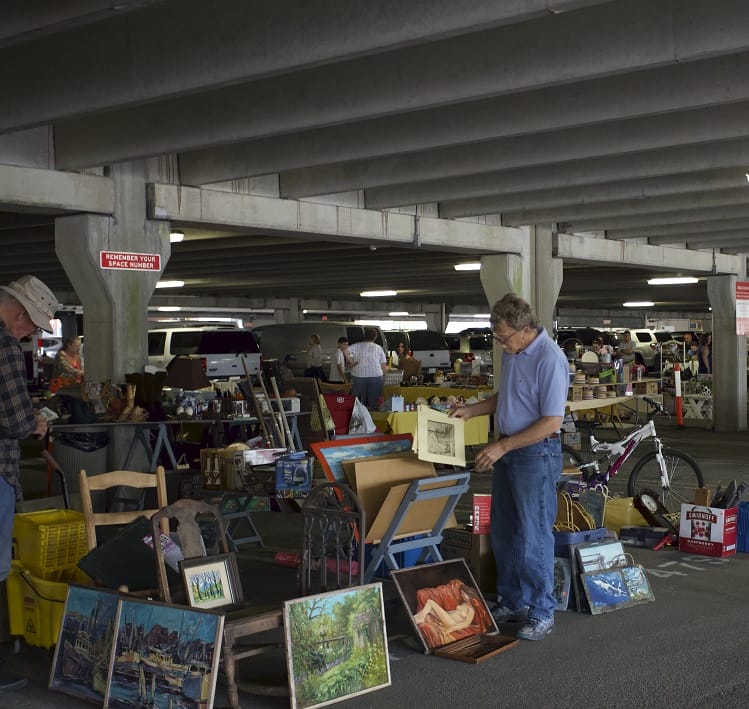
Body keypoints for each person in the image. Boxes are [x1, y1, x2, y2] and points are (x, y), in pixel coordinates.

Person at [450, 293, 568, 641]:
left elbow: (551, 421)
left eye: (503, 337)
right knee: (504, 530)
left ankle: (542, 610)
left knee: (534, 534)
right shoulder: (516, 354)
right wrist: (471, 410)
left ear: (525, 329)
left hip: (534, 454)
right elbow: (509, 398)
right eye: (497, 338)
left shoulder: (550, 359)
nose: (500, 344)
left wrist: (503, 445)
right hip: (510, 451)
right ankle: (513, 599)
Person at [0, 275, 57, 691]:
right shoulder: (3, 345)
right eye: (34, 327)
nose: (31, 334)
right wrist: (35, 423)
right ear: (19, 314)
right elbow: (18, 421)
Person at [347, 327, 387, 408]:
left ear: (364, 335)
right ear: (375, 337)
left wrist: (351, 362)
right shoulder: (378, 348)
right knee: (374, 401)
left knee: (358, 402)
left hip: (359, 375)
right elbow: (383, 365)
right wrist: (384, 376)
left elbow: (345, 351)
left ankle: (359, 418)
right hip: (376, 376)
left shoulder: (356, 346)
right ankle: (373, 417)